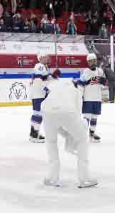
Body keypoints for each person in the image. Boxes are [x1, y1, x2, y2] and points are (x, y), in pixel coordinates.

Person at [39, 56, 96, 189]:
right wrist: (72, 136)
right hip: (68, 111)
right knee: (82, 139)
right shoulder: (75, 90)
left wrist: (66, 135)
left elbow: (46, 102)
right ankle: (84, 179)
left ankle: (53, 178)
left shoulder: (54, 85)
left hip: (47, 111)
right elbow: (77, 112)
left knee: (51, 143)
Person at [79, 51, 105, 141]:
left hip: (97, 98)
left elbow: (103, 84)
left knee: (95, 116)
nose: (93, 62)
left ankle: (92, 133)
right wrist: (80, 96)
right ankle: (82, 134)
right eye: (91, 61)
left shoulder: (100, 71)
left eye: (94, 60)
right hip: (88, 98)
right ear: (88, 62)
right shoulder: (85, 72)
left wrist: (102, 82)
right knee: (87, 116)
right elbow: (81, 85)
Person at [28, 52, 50, 142]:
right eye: (45, 57)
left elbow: (44, 79)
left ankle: (33, 133)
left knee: (37, 112)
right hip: (39, 93)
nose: (47, 59)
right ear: (40, 58)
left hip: (37, 93)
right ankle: (35, 135)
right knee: (39, 113)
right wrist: (46, 89)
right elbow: (38, 80)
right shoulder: (40, 66)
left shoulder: (42, 67)